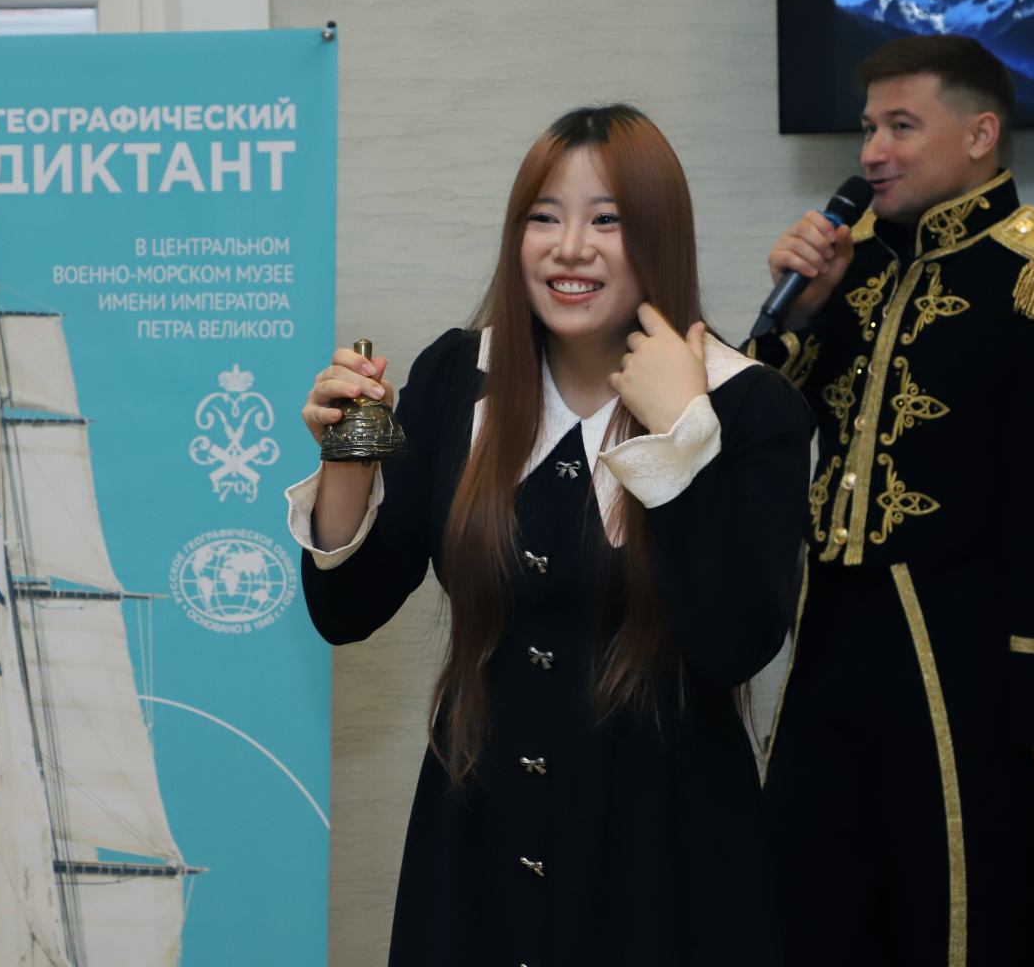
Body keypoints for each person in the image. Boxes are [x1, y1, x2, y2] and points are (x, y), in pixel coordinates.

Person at [286, 104, 808, 967]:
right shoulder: (459, 373)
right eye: (543, 218)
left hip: (665, 865)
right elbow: (346, 611)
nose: (569, 248)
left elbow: (735, 644)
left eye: (607, 220)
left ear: (661, 236)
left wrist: (680, 436)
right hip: (474, 847)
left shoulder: (748, 403)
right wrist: (348, 453)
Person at [749, 35, 1034, 967]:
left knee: (960, 918)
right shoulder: (851, 268)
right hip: (829, 640)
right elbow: (757, 435)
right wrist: (797, 313)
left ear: (980, 134)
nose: (871, 153)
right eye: (867, 129)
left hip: (960, 657)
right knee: (805, 901)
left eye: (900, 126)